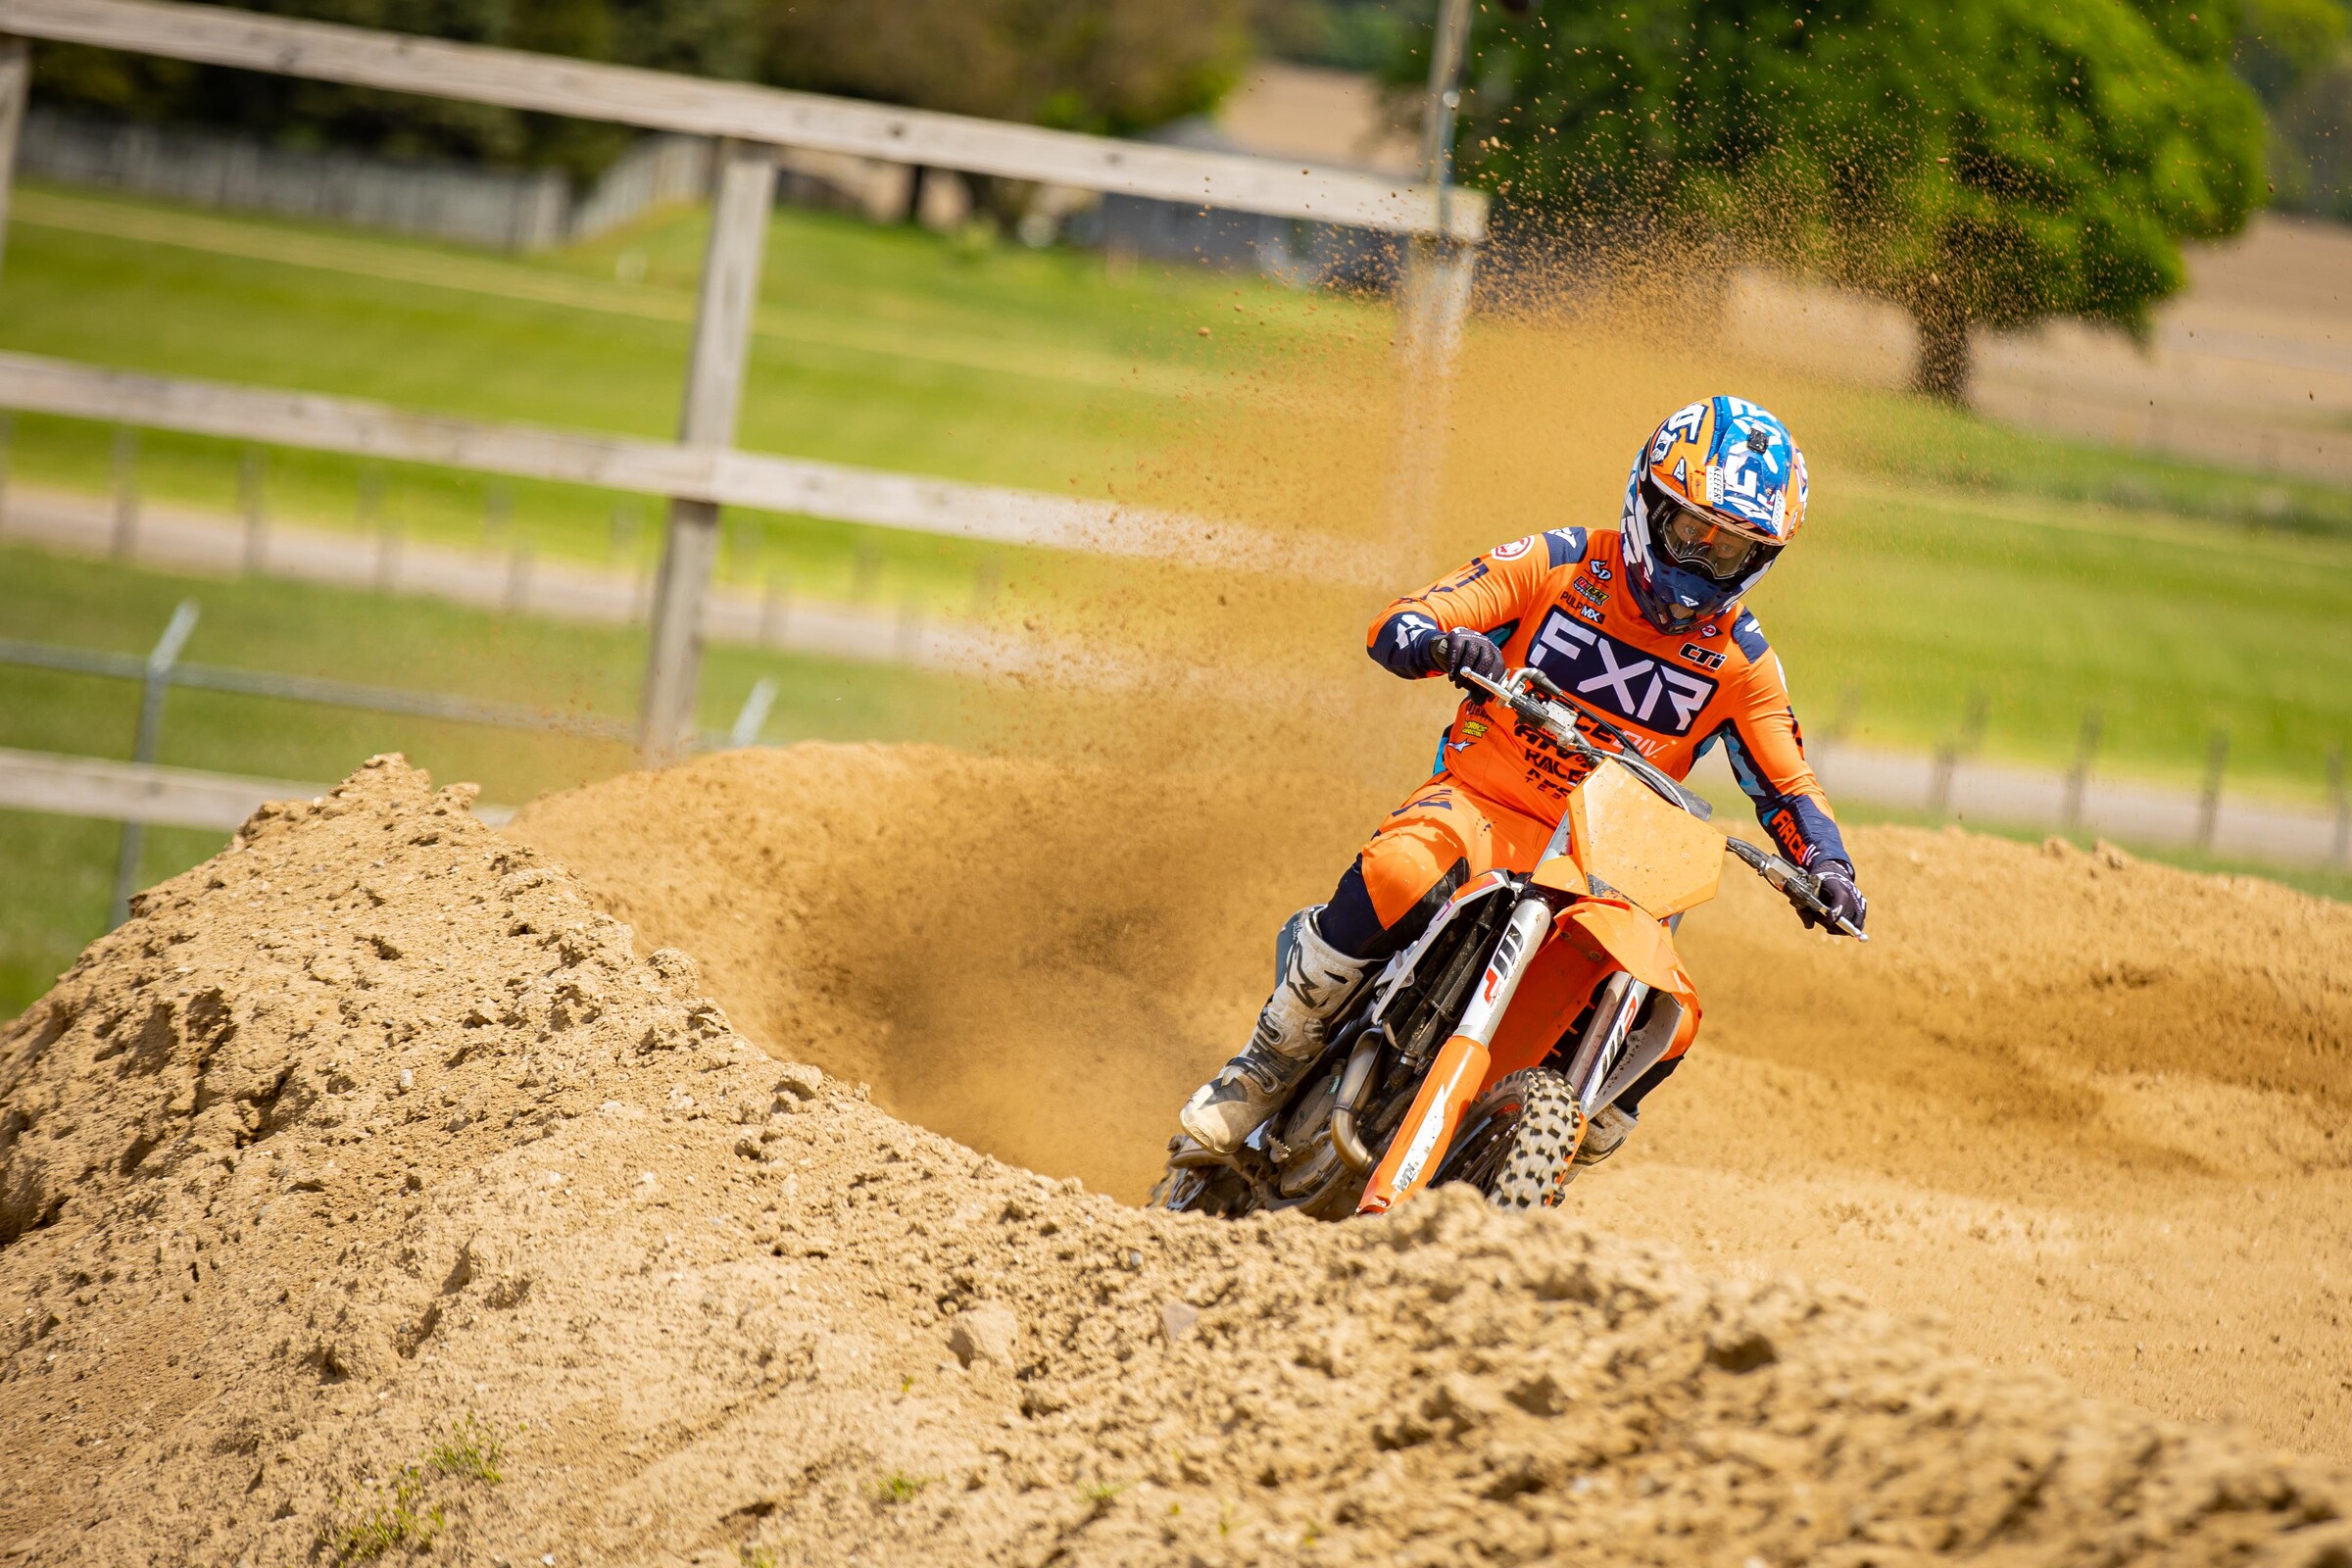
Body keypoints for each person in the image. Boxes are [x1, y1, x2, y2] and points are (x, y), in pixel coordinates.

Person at [1179, 395, 1867, 1169]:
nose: (1702, 564)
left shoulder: (1742, 662)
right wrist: (1441, 643)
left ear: (1759, 561)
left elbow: (1788, 783)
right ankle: (1268, 1062)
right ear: (1649, 505)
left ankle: (1559, 1136)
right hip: (1485, 802)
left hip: (1616, 862)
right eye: (1691, 533)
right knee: (1401, 872)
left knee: (1672, 1014)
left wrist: (1827, 868)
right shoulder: (1562, 561)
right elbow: (1406, 618)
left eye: (1731, 551)